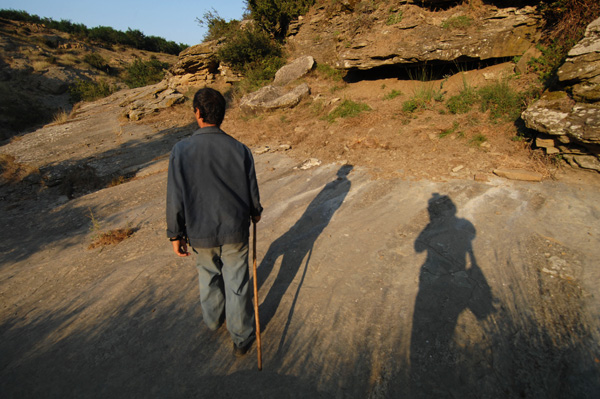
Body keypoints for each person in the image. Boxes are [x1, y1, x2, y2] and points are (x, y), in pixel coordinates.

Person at [166, 87, 263, 357]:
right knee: (238, 281)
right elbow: (251, 189)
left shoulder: (180, 150)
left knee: (208, 275)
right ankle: (241, 337)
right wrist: (255, 211)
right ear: (222, 114)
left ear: (197, 113)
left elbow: (175, 195)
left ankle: (214, 320)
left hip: (199, 230)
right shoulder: (240, 149)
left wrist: (176, 234)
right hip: (235, 228)